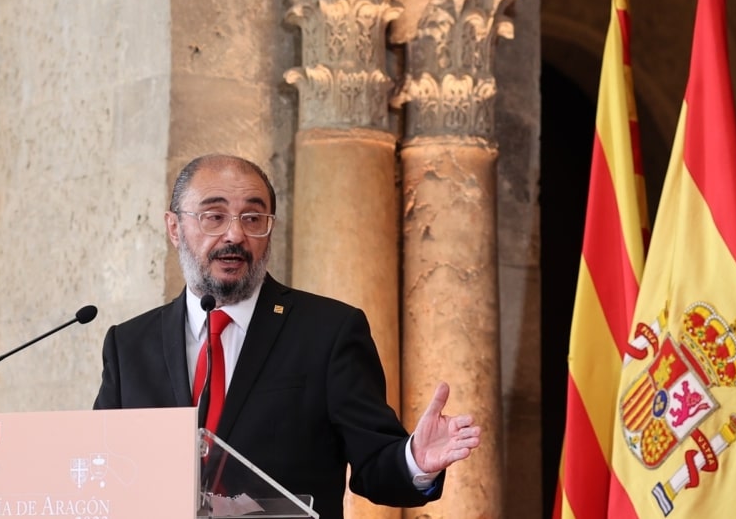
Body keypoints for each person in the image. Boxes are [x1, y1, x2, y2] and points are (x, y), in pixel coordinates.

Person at [94, 154, 480, 519]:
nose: (235, 234)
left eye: (253, 217)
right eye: (214, 216)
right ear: (175, 228)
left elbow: (375, 465)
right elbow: (102, 468)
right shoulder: (129, 345)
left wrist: (416, 460)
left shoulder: (328, 332)